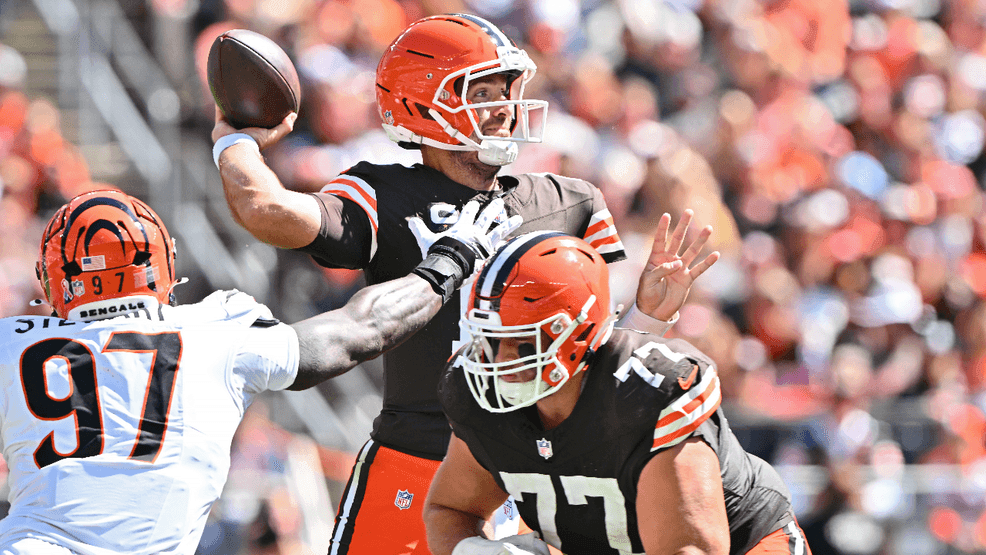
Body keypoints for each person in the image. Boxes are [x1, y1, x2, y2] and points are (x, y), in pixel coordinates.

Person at [212, 13, 719, 554]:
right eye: (480, 90)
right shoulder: (384, 191)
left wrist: (648, 319)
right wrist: (234, 140)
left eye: (507, 88)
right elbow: (266, 210)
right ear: (420, 102)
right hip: (417, 460)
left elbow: (590, 363)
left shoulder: (567, 202)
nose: (504, 106)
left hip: (535, 476)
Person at [0, 188, 518, 555]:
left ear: (53, 277)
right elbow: (359, 332)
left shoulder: (11, 343)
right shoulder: (214, 328)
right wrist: (451, 259)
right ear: (161, 266)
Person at [424, 232, 812, 555]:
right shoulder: (476, 396)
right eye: (493, 340)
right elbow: (449, 509)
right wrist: (475, 550)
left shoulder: (648, 391)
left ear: (577, 331)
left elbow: (689, 550)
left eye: (522, 341)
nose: (501, 361)